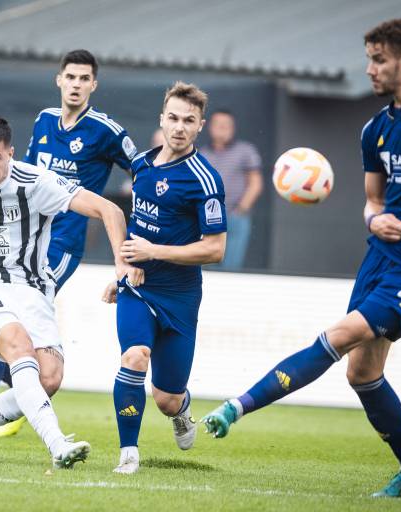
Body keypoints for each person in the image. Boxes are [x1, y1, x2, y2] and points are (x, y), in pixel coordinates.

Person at [201, 18, 401, 499]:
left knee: (342, 335)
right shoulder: (375, 129)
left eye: (378, 60)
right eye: (368, 59)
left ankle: (236, 406)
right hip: (381, 259)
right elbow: (372, 201)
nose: (369, 69)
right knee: (361, 372)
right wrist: (374, 221)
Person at [0, 113, 142, 467]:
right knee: (18, 344)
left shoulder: (35, 183)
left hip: (31, 290)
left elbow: (110, 210)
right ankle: (58, 445)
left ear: (11, 153)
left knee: (48, 378)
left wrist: (122, 265)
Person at [0, 49, 138, 438]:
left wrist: (140, 227)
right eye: (70, 77)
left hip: (59, 247)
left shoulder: (105, 130)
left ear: (94, 85)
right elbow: (20, 175)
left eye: (83, 78)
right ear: (59, 80)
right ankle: (17, 395)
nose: (76, 84)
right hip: (22, 239)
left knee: (6, 313)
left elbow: (142, 170)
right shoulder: (44, 120)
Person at [102, 82, 227, 474]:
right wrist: (123, 269)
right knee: (134, 356)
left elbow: (215, 249)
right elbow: (137, 226)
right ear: (161, 119)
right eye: (173, 118)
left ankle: (181, 410)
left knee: (166, 398)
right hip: (139, 288)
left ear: (200, 125)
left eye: (189, 120)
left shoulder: (205, 180)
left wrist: (152, 252)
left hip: (180, 297)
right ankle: (128, 452)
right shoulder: (141, 163)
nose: (179, 127)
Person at [200, 109, 263, 271]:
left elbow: (255, 183)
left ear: (233, 128)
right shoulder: (201, 155)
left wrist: (241, 210)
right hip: (208, 220)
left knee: (231, 269)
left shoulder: (246, 151)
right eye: (218, 124)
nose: (222, 128)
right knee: (207, 268)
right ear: (210, 127)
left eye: (226, 125)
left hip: (235, 218)